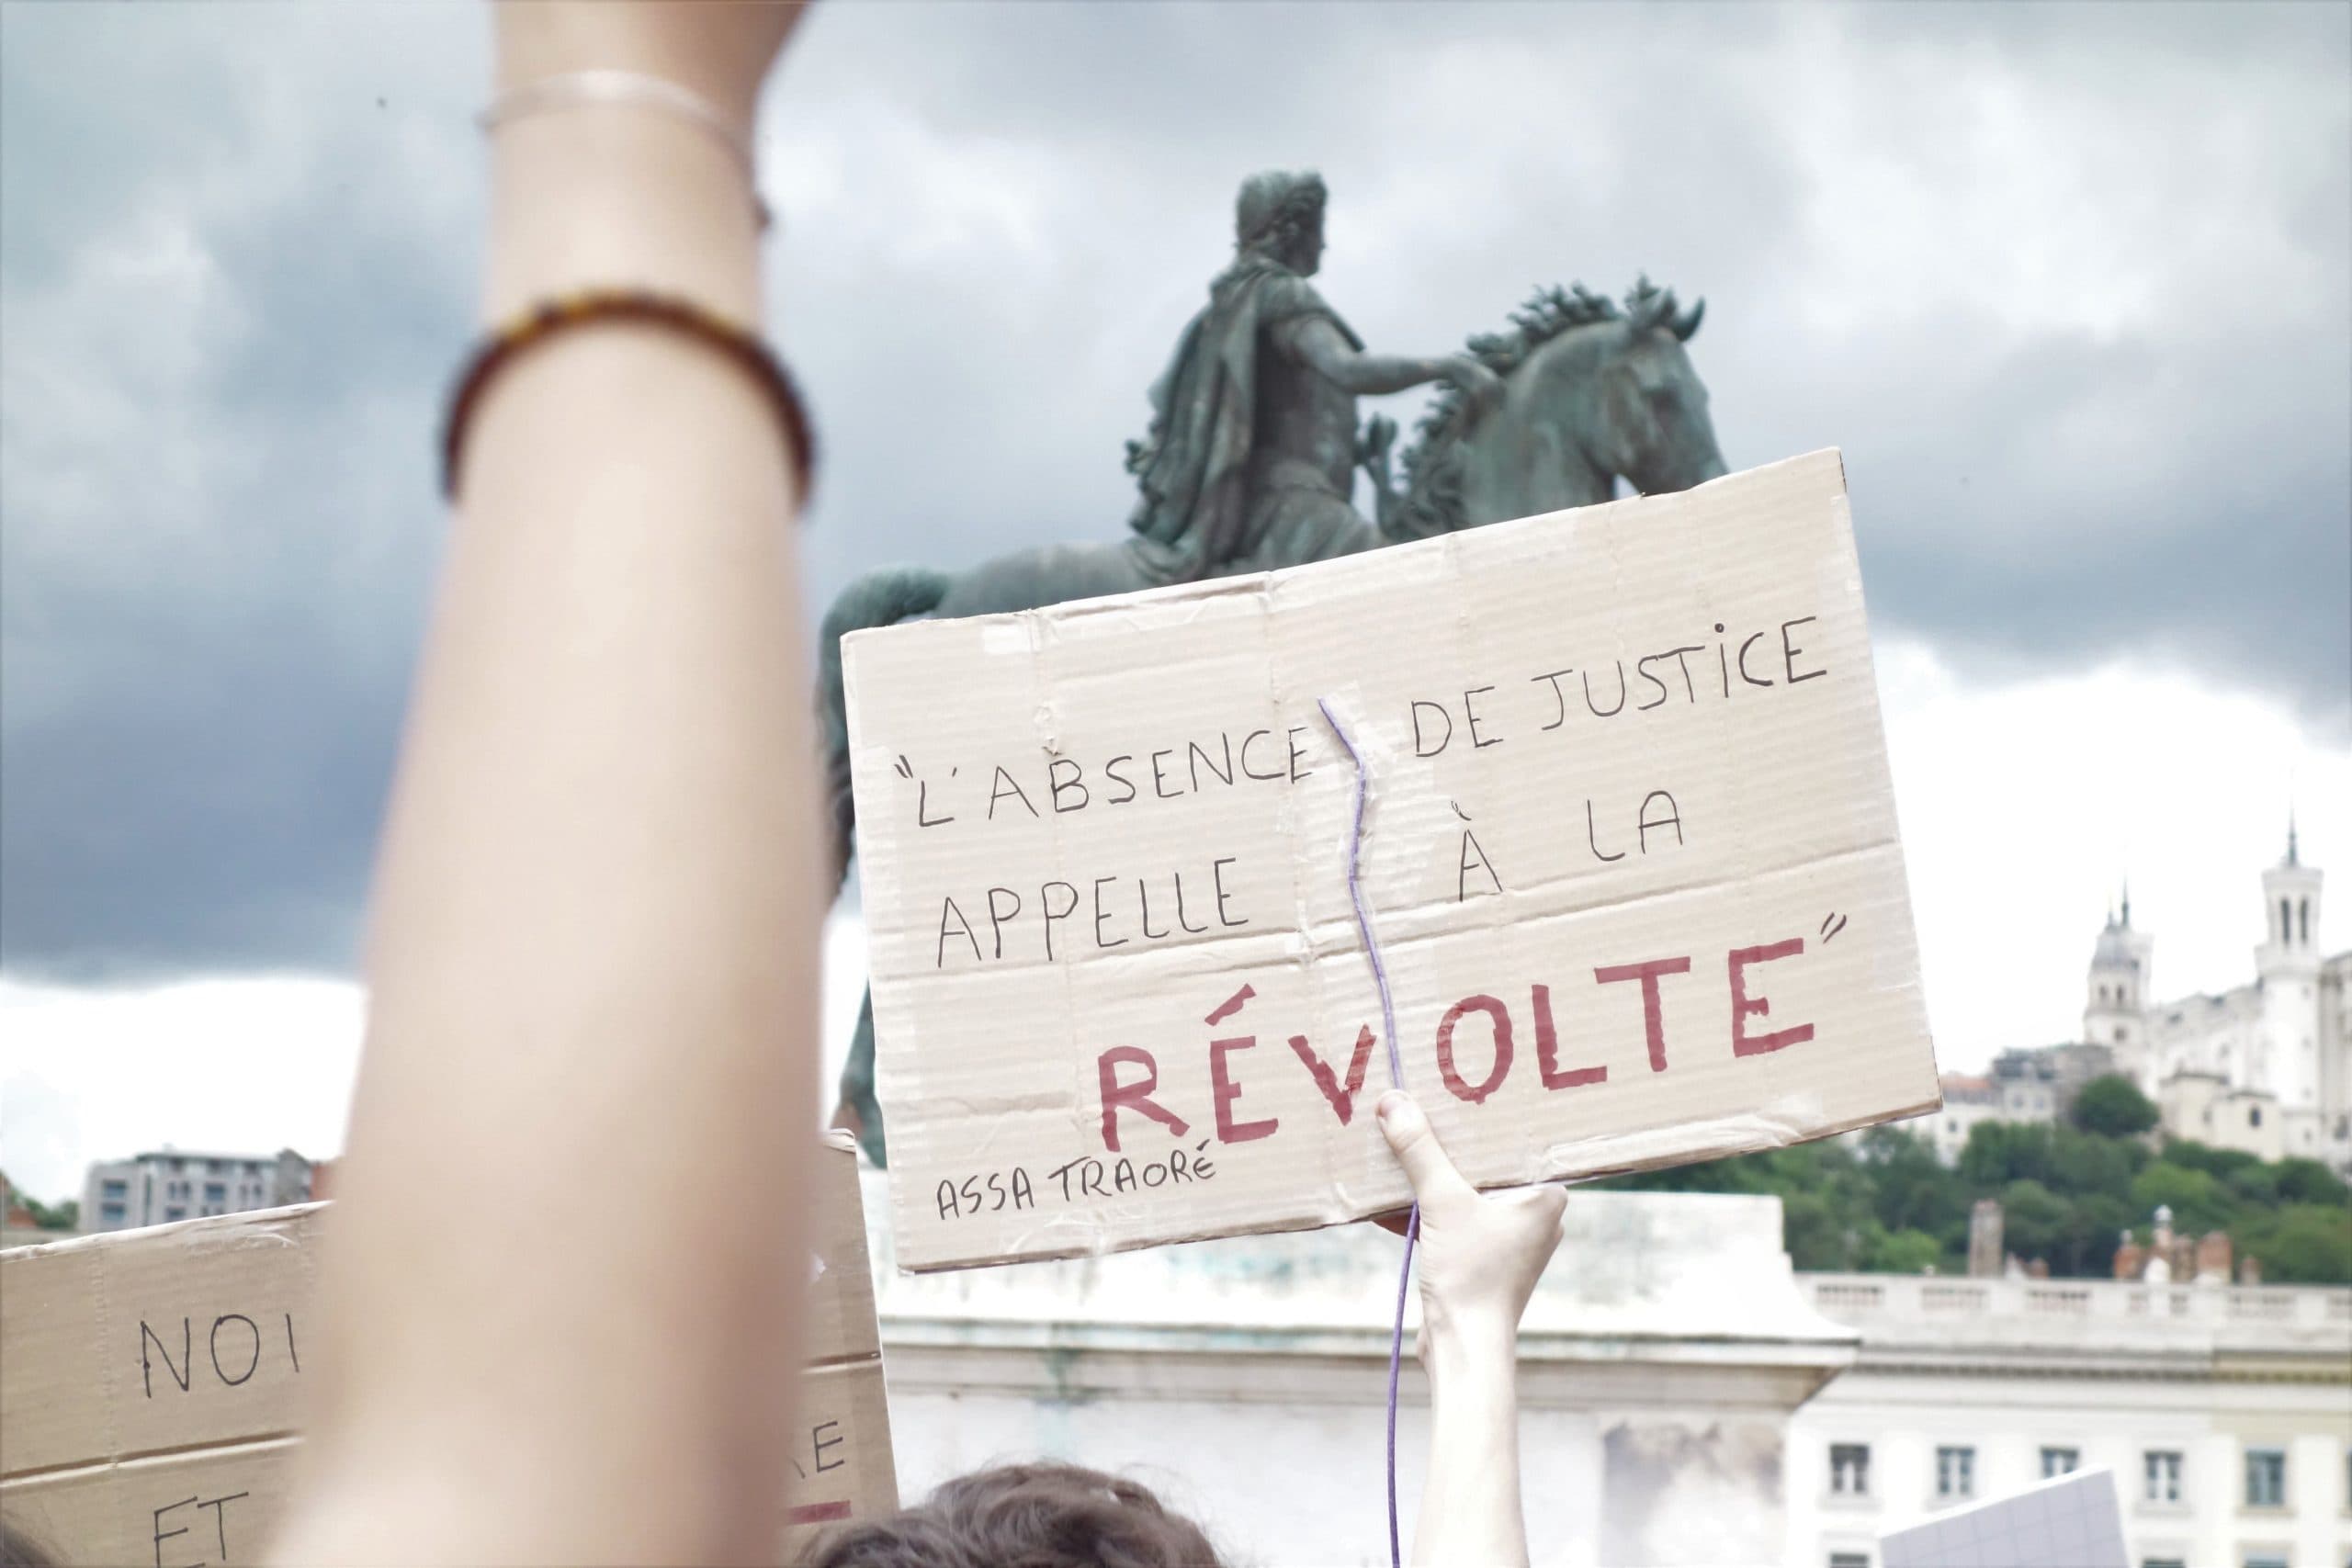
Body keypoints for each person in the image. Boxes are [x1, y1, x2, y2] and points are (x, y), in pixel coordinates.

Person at [268, 6, 1561, 1565]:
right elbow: (1355, 370)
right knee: (1381, 626)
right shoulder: (1281, 304)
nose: (1308, 233)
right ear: (1288, 226)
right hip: (1282, 522)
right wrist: (1472, 1332)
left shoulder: (1251, 299)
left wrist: (629, 109)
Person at [1125, 170, 1505, 582]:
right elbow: (1348, 370)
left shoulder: (1234, 299)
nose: (1323, 243)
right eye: (1318, 229)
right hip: (1290, 503)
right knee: (1404, 578)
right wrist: (1449, 366)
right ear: (1293, 230)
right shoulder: (1281, 292)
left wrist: (1369, 466)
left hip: (1265, 502)